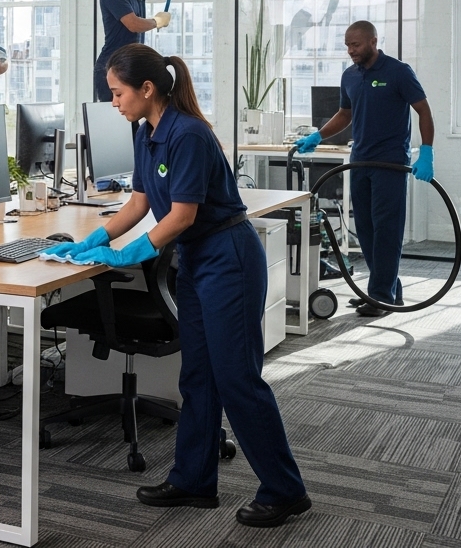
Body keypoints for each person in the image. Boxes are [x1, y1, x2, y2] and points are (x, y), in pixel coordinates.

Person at [45, 43, 310, 528]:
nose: (113, 102)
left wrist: (126, 255)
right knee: (199, 377)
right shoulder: (147, 132)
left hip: (228, 259)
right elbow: (140, 202)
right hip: (196, 260)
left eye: (118, 92)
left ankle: (285, 489)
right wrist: (92, 240)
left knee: (238, 380)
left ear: (147, 89)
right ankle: (193, 479)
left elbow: (182, 215)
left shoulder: (187, 135)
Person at [294, 20, 434, 317]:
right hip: (360, 161)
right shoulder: (350, 76)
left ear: (373, 41)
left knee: (387, 230)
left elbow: (423, 109)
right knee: (367, 231)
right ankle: (387, 291)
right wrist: (319, 135)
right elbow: (345, 114)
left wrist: (427, 152)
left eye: (355, 45)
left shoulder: (398, 72)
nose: (351, 50)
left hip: (390, 164)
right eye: (347, 45)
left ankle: (380, 295)